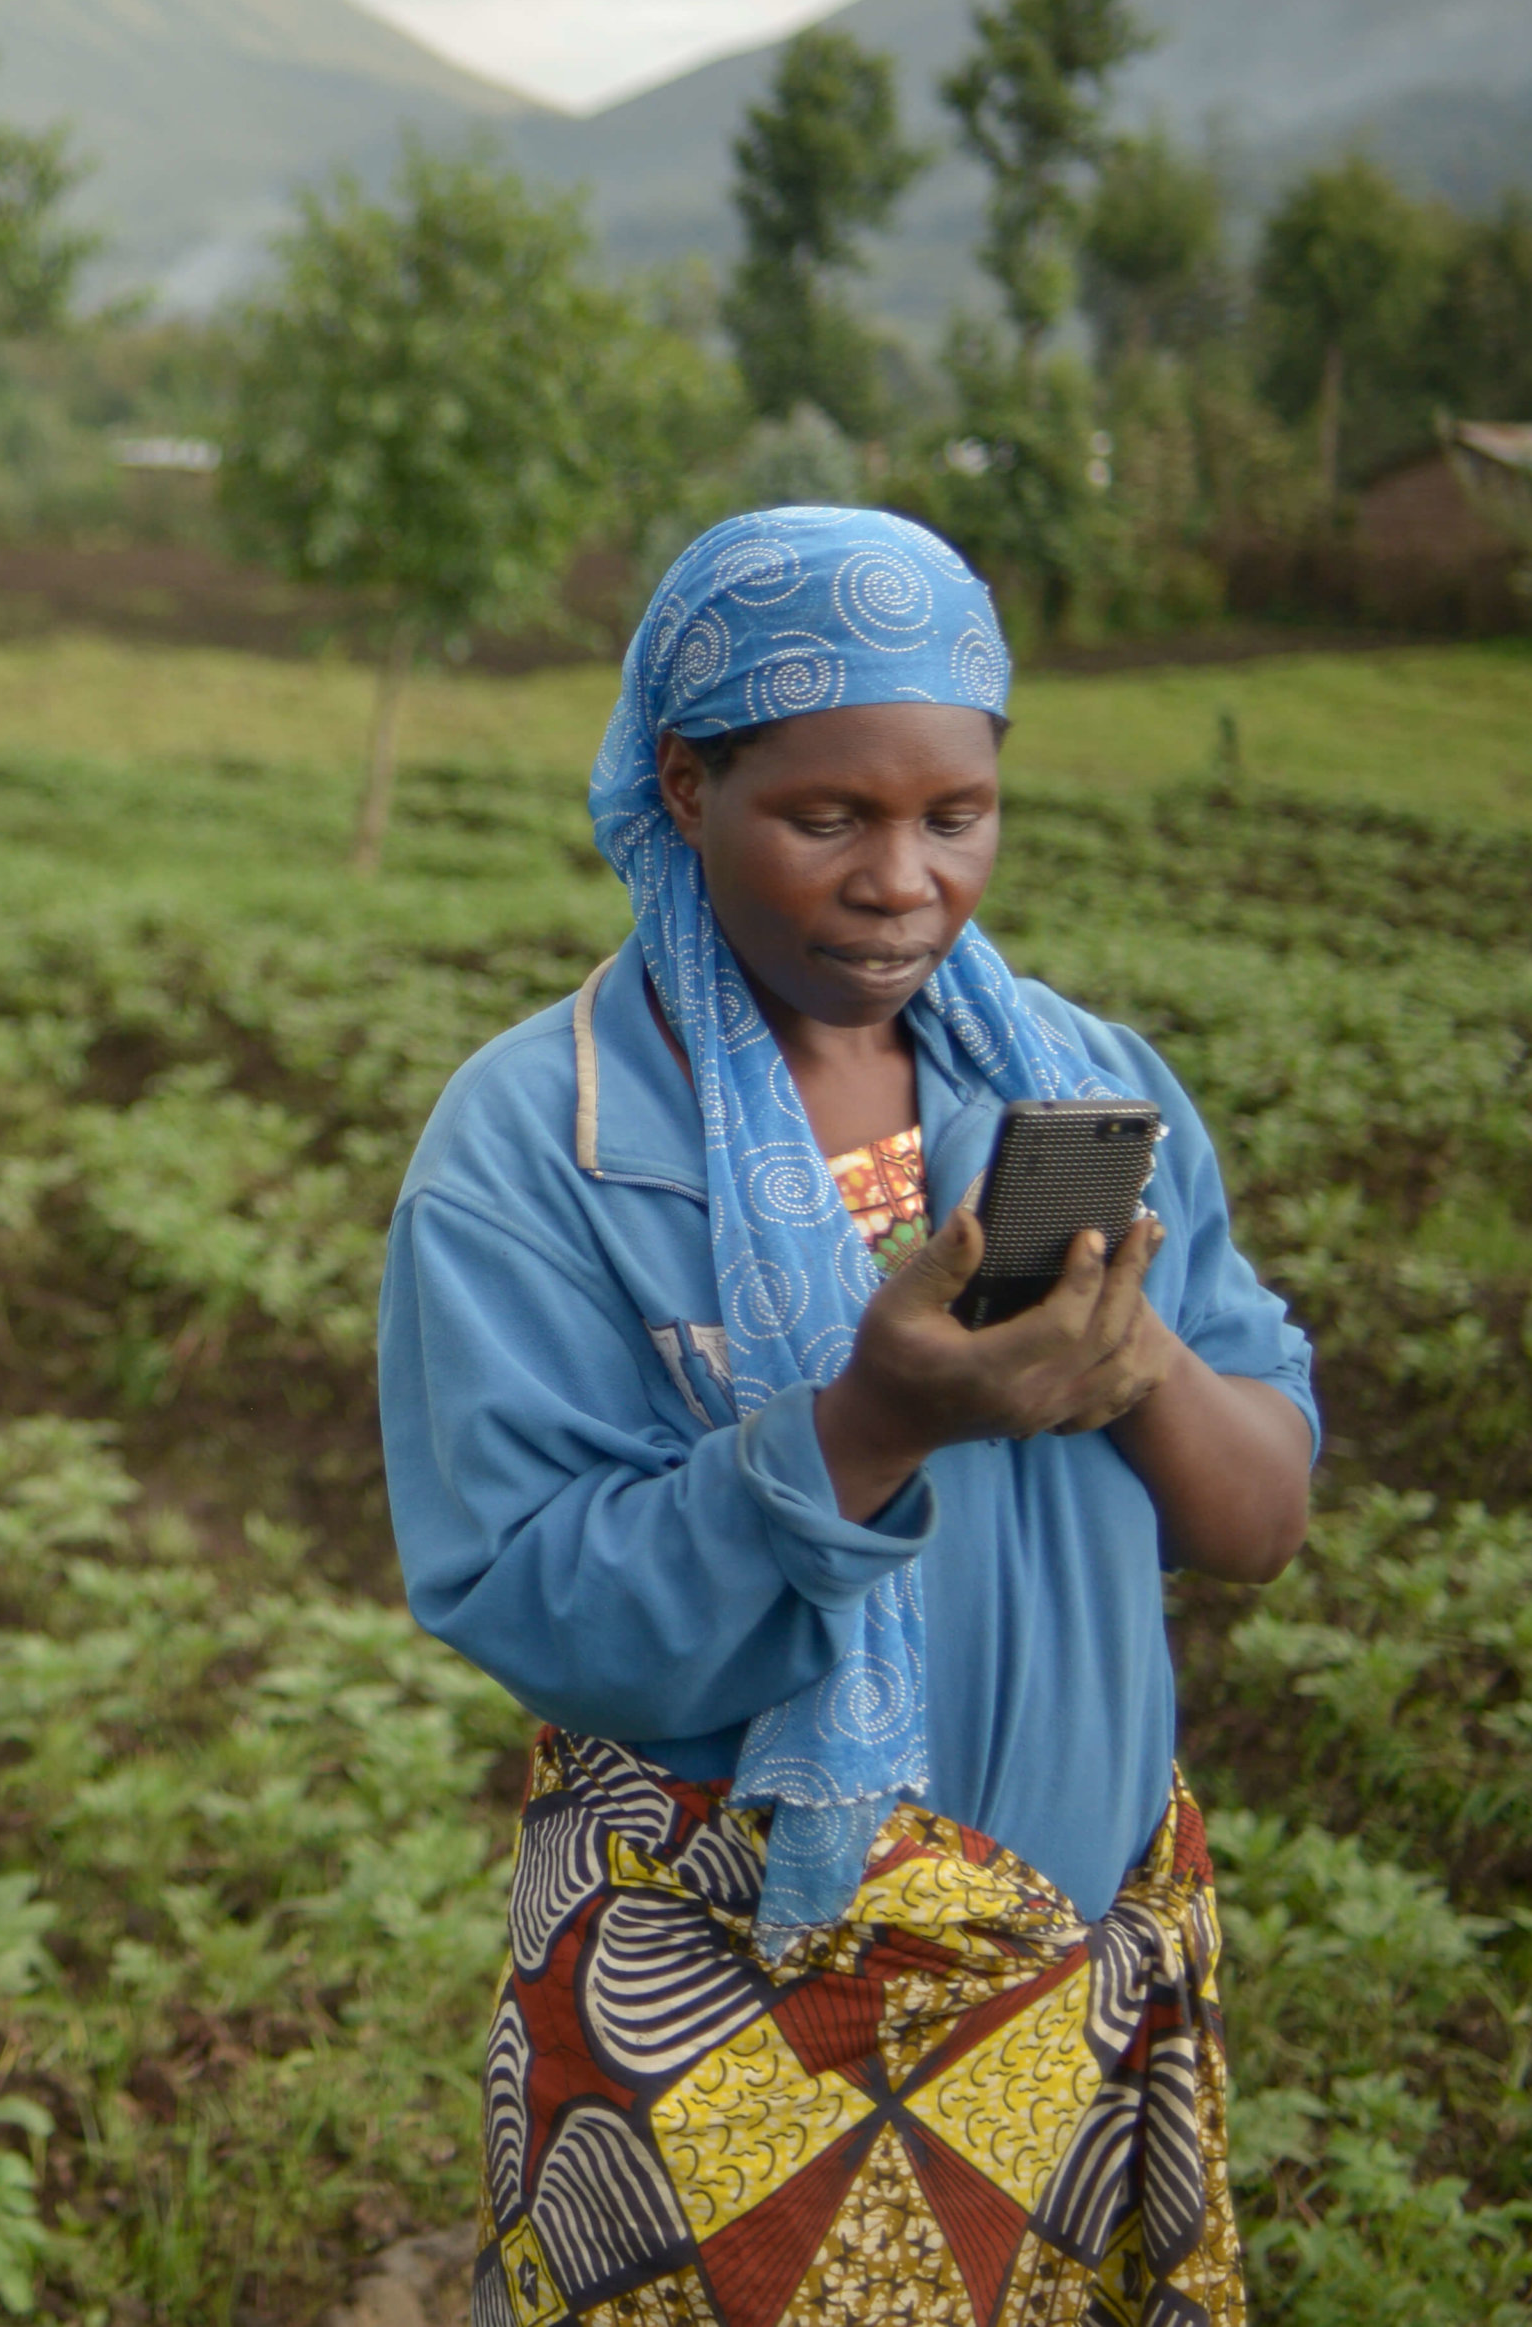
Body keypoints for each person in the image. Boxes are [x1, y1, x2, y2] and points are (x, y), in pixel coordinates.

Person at [378, 507, 1317, 2327]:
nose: (905, 879)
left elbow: (1258, 1519)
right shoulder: (541, 1148)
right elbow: (535, 1599)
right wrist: (868, 1420)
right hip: (723, 1983)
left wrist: (1138, 1372)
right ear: (686, 783)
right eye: (831, 818)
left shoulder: (1082, 1094)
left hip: (1076, 1945)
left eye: (954, 815)